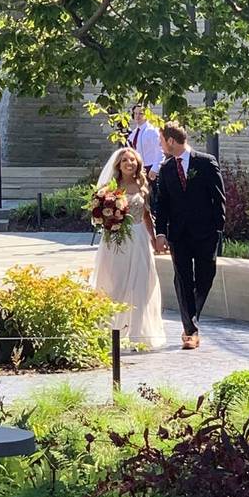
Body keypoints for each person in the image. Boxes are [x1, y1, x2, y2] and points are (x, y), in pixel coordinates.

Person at [154, 121, 226, 350]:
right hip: (179, 235)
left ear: (171, 141)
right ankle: (190, 330)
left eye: (161, 141)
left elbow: (219, 197)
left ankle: (191, 316)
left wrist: (218, 228)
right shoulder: (165, 169)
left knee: (206, 276)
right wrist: (161, 233)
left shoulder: (205, 163)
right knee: (183, 279)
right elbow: (161, 204)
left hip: (206, 233)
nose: (160, 145)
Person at [90, 148, 166, 349]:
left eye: (132, 160)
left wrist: (153, 237)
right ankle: (111, 332)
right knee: (115, 285)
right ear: (118, 164)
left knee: (142, 284)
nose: (128, 163)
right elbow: (100, 216)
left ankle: (137, 335)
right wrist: (108, 221)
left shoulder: (143, 186)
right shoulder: (110, 189)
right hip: (117, 240)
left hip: (139, 237)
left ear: (137, 164)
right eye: (124, 160)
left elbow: (146, 215)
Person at [128, 105, 163, 181]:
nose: (137, 116)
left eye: (140, 113)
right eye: (135, 113)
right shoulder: (133, 134)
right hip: (138, 170)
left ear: (147, 114)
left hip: (151, 169)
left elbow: (160, 151)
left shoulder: (152, 131)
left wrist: (155, 168)